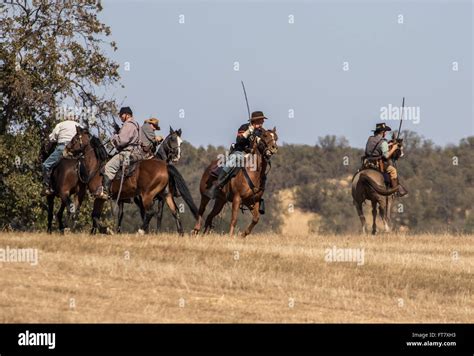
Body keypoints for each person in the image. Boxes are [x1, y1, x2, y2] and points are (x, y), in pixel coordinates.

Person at [204, 111, 267, 199]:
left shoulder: (262, 132)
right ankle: (217, 184)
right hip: (240, 151)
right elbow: (239, 140)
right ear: (255, 121)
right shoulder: (244, 127)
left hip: (253, 155)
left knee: (263, 168)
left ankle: (258, 195)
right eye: (261, 121)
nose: (263, 123)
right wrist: (248, 132)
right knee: (233, 159)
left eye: (263, 121)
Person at [97, 106, 141, 199]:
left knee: (109, 167)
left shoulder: (128, 124)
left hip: (127, 153)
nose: (121, 117)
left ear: (127, 115)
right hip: (136, 152)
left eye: (122, 115)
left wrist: (114, 137)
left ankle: (105, 192)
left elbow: (121, 141)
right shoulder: (136, 124)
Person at [364, 122, 407, 197]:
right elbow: (386, 156)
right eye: (385, 132)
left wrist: (389, 144)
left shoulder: (370, 138)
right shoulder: (383, 142)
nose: (386, 133)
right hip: (377, 164)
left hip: (367, 162)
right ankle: (395, 191)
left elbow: (376, 147)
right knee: (393, 170)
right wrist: (394, 148)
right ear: (383, 132)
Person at [41, 114, 80, 195]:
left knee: (46, 165)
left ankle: (47, 187)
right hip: (76, 150)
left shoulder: (60, 124)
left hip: (62, 148)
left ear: (65, 118)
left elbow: (52, 138)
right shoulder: (79, 126)